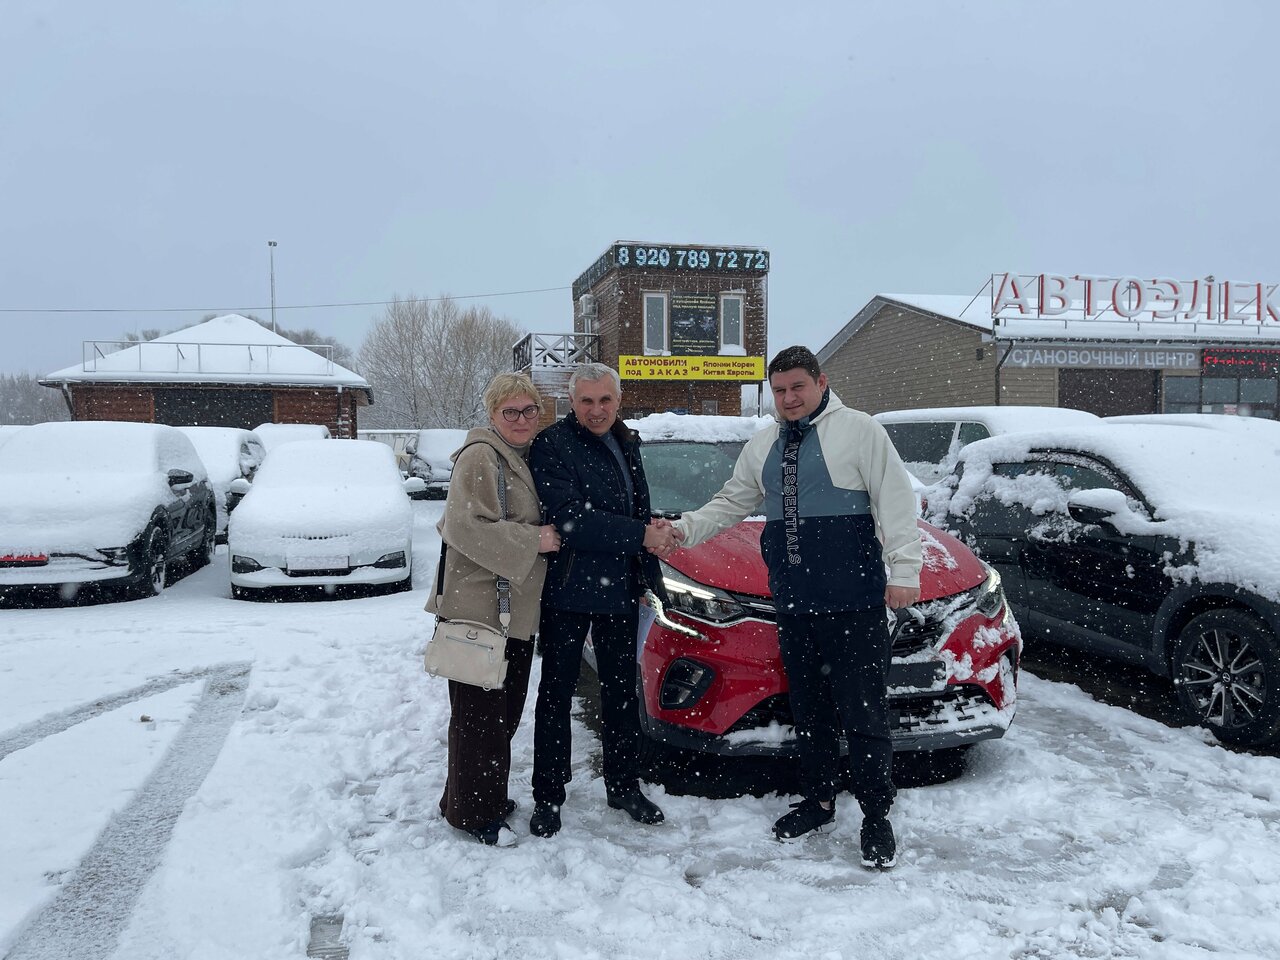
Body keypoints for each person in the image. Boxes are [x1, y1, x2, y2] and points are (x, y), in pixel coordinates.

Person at [669, 345, 921, 869]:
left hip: (853, 602)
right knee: (809, 711)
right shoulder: (764, 443)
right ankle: (819, 801)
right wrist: (681, 531)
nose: (788, 398)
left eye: (797, 387)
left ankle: (876, 815)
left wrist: (904, 572)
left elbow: (895, 501)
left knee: (864, 711)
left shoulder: (860, 431)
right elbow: (732, 500)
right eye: (780, 390)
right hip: (795, 602)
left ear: (821, 382)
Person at [526, 362, 679, 838]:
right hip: (569, 589)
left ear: (618, 400)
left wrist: (650, 542)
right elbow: (570, 518)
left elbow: (635, 505)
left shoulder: (625, 439)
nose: (597, 410)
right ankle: (548, 795)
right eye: (587, 401)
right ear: (572, 402)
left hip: (620, 587)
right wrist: (640, 535)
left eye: (605, 400)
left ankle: (624, 785)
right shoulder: (552, 445)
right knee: (556, 695)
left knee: (621, 691)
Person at [428, 372, 561, 846]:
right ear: (492, 414)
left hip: (509, 611)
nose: (522, 419)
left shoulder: (518, 454)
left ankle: (470, 797)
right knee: (480, 718)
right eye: (511, 412)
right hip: (480, 610)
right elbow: (463, 526)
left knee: (497, 714)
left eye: (530, 410)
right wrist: (534, 540)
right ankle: (474, 814)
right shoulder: (481, 456)